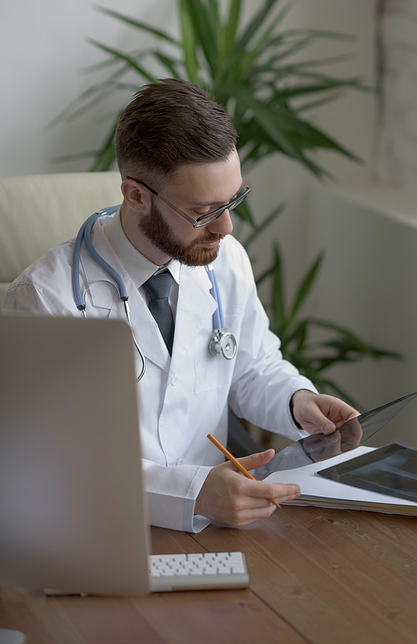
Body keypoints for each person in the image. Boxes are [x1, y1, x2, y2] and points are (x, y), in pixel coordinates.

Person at [2, 78, 359, 532]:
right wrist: (189, 493)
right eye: (205, 212)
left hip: (223, 522)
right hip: (101, 531)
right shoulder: (46, 299)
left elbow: (252, 368)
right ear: (136, 196)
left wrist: (298, 400)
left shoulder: (223, 260)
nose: (226, 227)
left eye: (234, 201)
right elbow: (52, 462)